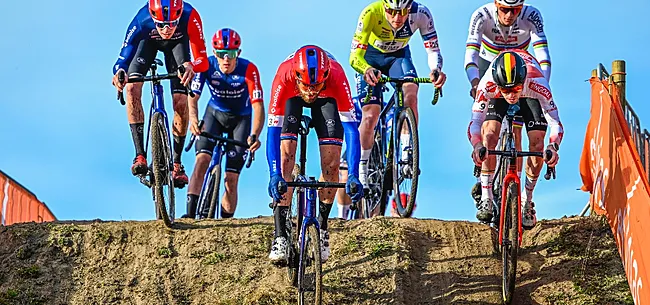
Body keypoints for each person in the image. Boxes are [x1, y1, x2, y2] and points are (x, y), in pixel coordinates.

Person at [266, 45, 364, 263]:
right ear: (297, 77)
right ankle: (280, 235)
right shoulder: (284, 76)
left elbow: (352, 131)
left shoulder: (336, 76)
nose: (311, 91)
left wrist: (355, 174)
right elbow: (272, 132)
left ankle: (322, 227)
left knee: (331, 165)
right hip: (291, 97)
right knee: (285, 161)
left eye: (316, 85)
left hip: (328, 99)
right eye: (307, 85)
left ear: (326, 76)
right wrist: (275, 174)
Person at [349, 0, 447, 191]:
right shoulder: (370, 13)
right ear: (384, 7)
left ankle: (406, 152)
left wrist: (436, 70)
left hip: (399, 57)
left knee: (411, 92)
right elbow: (354, 57)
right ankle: (361, 170)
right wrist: (367, 69)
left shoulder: (422, 14)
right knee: (370, 115)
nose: (397, 18)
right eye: (392, 12)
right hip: (369, 59)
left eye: (403, 12)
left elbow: (433, 49)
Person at [111, 0, 209, 188]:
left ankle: (177, 164)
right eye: (161, 24)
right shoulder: (141, 19)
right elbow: (123, 57)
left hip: (178, 47)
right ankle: (140, 154)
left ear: (179, 16)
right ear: (153, 18)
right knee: (132, 88)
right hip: (146, 44)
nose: (166, 29)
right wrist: (119, 72)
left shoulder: (190, 16)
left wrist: (191, 65)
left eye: (172, 23)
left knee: (181, 101)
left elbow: (202, 60)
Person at [464, 0, 551, 203]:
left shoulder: (532, 15)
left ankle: (517, 196)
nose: (509, 15)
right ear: (496, 5)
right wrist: (475, 82)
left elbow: (543, 57)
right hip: (490, 67)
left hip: (522, 69)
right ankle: (485, 185)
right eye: (504, 9)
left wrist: (542, 83)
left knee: (517, 133)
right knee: (489, 130)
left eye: (515, 10)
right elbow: (471, 54)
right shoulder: (481, 15)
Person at [468, 49, 563, 229]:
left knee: (537, 142)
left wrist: (553, 146)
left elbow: (556, 123)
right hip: (497, 97)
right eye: (507, 90)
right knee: (488, 136)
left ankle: (527, 200)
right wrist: (477, 145)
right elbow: (475, 122)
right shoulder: (488, 84)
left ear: (523, 81)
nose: (511, 95)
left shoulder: (537, 82)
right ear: (498, 84)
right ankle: (487, 198)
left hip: (530, 96)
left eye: (515, 89)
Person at [181, 28, 264, 219]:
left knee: (231, 179)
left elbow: (258, 106)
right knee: (201, 161)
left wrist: (255, 135)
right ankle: (190, 214)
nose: (226, 59)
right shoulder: (207, 66)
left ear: (238, 54)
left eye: (231, 54)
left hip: (240, 120)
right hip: (214, 115)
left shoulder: (249, 70)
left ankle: (226, 224)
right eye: (221, 54)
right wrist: (193, 120)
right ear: (214, 53)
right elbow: (192, 97)